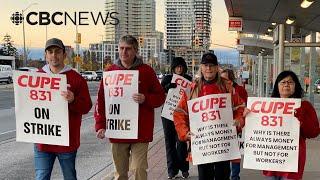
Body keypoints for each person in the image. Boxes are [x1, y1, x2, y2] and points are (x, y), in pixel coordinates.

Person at [94, 35, 166, 180]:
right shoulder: (110, 72)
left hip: (140, 131)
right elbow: (101, 101)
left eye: (128, 49)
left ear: (135, 51)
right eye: (121, 48)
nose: (124, 52)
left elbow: (160, 97)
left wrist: (146, 99)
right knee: (120, 173)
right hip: (118, 130)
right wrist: (100, 125)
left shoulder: (146, 71)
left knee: (139, 169)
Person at [173, 53, 245, 180]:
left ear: (217, 68)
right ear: (201, 67)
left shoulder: (227, 86)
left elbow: (240, 107)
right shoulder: (192, 88)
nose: (208, 69)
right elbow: (179, 112)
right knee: (205, 176)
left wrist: (239, 121)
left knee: (222, 176)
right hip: (203, 144)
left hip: (223, 143)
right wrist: (184, 133)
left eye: (212, 65)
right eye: (206, 65)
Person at [35, 38, 92, 179]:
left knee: (69, 176)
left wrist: (73, 100)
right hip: (43, 140)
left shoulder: (76, 79)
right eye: (50, 52)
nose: (54, 55)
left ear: (64, 55)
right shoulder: (36, 77)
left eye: (58, 52)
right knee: (41, 176)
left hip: (67, 141)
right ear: (45, 55)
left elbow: (86, 107)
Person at [263, 70, 320, 180]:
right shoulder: (266, 106)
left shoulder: (305, 106)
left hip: (292, 160)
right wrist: (249, 115)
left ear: (296, 86)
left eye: (290, 82)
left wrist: (301, 116)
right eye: (283, 82)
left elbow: (313, 132)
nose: (286, 85)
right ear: (277, 86)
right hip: (270, 159)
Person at [161, 57, 192, 179]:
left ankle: (184, 168)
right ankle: (171, 171)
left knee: (182, 143)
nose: (179, 69)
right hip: (168, 115)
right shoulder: (167, 78)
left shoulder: (189, 79)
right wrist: (167, 87)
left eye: (181, 66)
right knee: (169, 143)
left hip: (183, 115)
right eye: (177, 67)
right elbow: (160, 93)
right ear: (173, 68)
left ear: (184, 67)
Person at [221, 69, 248, 180]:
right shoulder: (219, 90)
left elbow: (244, 107)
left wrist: (240, 120)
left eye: (224, 79)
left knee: (235, 154)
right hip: (222, 129)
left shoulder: (239, 90)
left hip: (235, 128)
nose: (221, 81)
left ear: (231, 80)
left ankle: (235, 176)